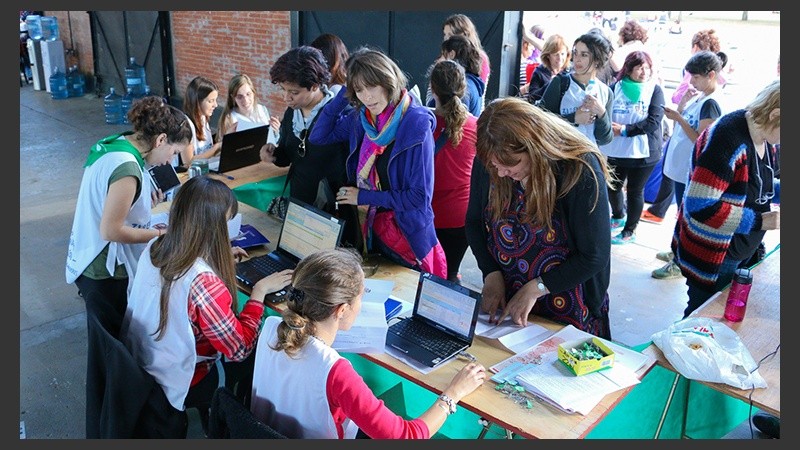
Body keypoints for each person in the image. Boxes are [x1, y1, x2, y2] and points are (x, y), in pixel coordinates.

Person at [250, 248, 486, 438]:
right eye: (362, 296)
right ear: (341, 310)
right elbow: (405, 436)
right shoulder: (335, 372)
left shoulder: (272, 326)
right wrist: (452, 394)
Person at [122, 175, 294, 435]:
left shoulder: (156, 246)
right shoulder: (203, 284)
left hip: (143, 359)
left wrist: (213, 258)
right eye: (228, 222)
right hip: (179, 377)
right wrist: (258, 293)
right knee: (259, 351)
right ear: (214, 228)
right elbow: (238, 349)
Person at [465, 97, 614, 340]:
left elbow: (594, 255)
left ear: (535, 147)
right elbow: (473, 222)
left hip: (568, 302)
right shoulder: (491, 159)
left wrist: (538, 288)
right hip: (511, 299)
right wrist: (490, 271)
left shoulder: (578, 168)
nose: (501, 173)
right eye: (495, 165)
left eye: (511, 164)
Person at [310, 47, 448, 279]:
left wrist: (363, 197)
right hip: (370, 229)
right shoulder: (362, 118)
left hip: (406, 236)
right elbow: (319, 136)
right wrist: (345, 92)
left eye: (372, 86)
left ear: (388, 82)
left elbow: (419, 198)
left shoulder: (415, 124)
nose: (367, 97)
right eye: (359, 90)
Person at [66, 96, 193, 338]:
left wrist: (142, 201)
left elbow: (106, 200)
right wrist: (161, 234)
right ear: (161, 140)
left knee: (106, 344)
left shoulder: (118, 145)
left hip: (88, 257)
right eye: (174, 152)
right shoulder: (127, 168)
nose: (170, 161)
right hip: (105, 268)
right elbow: (110, 230)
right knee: (112, 347)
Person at [672, 79, 779, 318]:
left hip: (741, 250)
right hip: (714, 255)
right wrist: (761, 221)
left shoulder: (766, 137)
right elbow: (701, 206)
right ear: (775, 114)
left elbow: (758, 182)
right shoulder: (727, 138)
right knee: (701, 316)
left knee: (719, 317)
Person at [260, 46, 359, 251]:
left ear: (314, 86)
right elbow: (289, 156)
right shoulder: (291, 113)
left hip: (333, 211)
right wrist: (274, 155)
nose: (286, 98)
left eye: (294, 92)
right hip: (299, 207)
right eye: (284, 90)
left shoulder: (341, 115)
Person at [653, 50, 726, 280]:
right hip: (681, 168)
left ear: (711, 75)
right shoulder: (701, 97)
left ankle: (680, 261)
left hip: (691, 170)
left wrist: (679, 118)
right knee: (680, 214)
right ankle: (676, 251)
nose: (691, 82)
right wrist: (682, 106)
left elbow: (701, 139)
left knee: (686, 217)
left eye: (696, 77)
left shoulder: (711, 103)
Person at [600, 50, 665, 244]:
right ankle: (618, 215)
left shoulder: (654, 90)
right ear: (628, 69)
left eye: (647, 68)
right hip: (616, 149)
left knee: (635, 191)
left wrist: (625, 130)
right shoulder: (614, 88)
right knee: (613, 186)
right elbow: (602, 113)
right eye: (639, 68)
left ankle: (630, 230)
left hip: (644, 152)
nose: (644, 72)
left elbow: (654, 121)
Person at [428, 59, 478, 283]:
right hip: (461, 216)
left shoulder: (421, 123)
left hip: (428, 215)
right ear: (463, 88)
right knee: (449, 272)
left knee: (427, 272)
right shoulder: (477, 126)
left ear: (432, 88)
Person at [538, 31, 614, 148]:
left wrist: (601, 113)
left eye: (584, 55)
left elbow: (605, 139)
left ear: (597, 60)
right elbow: (540, 121)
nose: (577, 59)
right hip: (559, 154)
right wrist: (572, 118)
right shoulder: (560, 83)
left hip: (590, 155)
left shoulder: (606, 92)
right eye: (575, 53)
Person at [429, 34, 485, 117]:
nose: (439, 59)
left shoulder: (462, 86)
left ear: (452, 54)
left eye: (443, 54)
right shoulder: (473, 82)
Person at [216, 73, 280, 144]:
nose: (245, 100)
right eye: (239, 97)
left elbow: (274, 141)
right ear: (233, 97)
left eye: (248, 94)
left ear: (253, 93)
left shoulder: (262, 109)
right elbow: (222, 148)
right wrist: (228, 139)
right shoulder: (229, 119)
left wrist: (275, 132)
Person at [179, 76, 222, 168]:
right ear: (197, 102)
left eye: (215, 100)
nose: (215, 105)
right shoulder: (186, 126)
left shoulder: (203, 118)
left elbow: (207, 151)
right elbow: (188, 162)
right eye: (211, 101)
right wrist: (216, 148)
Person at [525, 33, 571, 104]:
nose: (559, 58)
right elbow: (532, 97)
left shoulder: (570, 72)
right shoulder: (539, 72)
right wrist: (550, 84)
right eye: (556, 54)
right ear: (548, 55)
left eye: (562, 54)